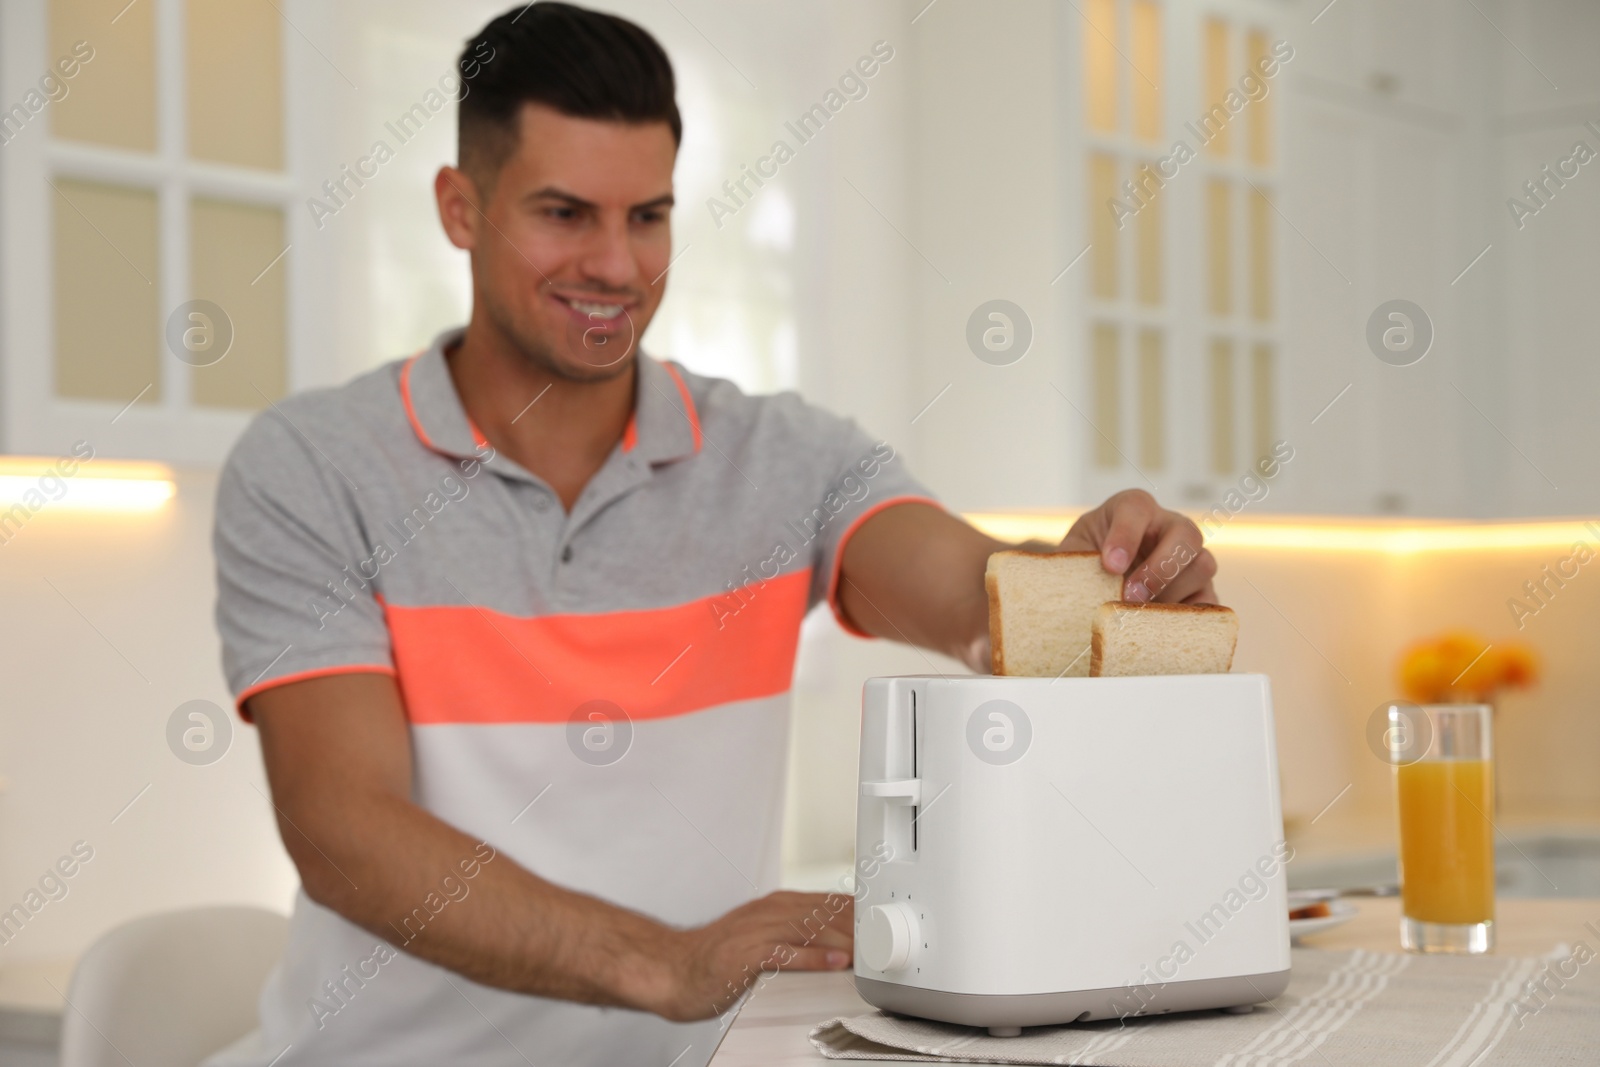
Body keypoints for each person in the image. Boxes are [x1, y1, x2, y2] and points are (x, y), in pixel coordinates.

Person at [205, 4, 1217, 1065]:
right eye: (564, 212)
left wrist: (1109, 582)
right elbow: (342, 827)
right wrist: (664, 961)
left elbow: (986, 605)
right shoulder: (314, 465)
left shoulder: (785, 457)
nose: (615, 264)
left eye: (648, 215)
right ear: (461, 208)